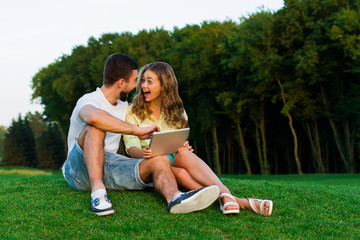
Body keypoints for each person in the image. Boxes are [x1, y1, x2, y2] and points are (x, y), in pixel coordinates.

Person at [62, 53, 221, 216]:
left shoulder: (124, 106)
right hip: (78, 169)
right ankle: (98, 194)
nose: (137, 86)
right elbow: (94, 117)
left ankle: (175, 197)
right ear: (121, 83)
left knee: (160, 160)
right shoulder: (89, 100)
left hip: (110, 165)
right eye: (135, 81)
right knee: (95, 128)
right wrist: (138, 131)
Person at [123, 61, 273, 216]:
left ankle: (226, 196)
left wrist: (183, 146)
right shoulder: (132, 111)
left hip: (175, 158)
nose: (143, 86)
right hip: (151, 166)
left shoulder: (177, 111)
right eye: (143, 80)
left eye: (149, 81)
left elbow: (179, 140)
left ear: (164, 86)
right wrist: (144, 154)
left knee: (184, 153)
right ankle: (236, 199)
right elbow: (131, 147)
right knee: (181, 174)